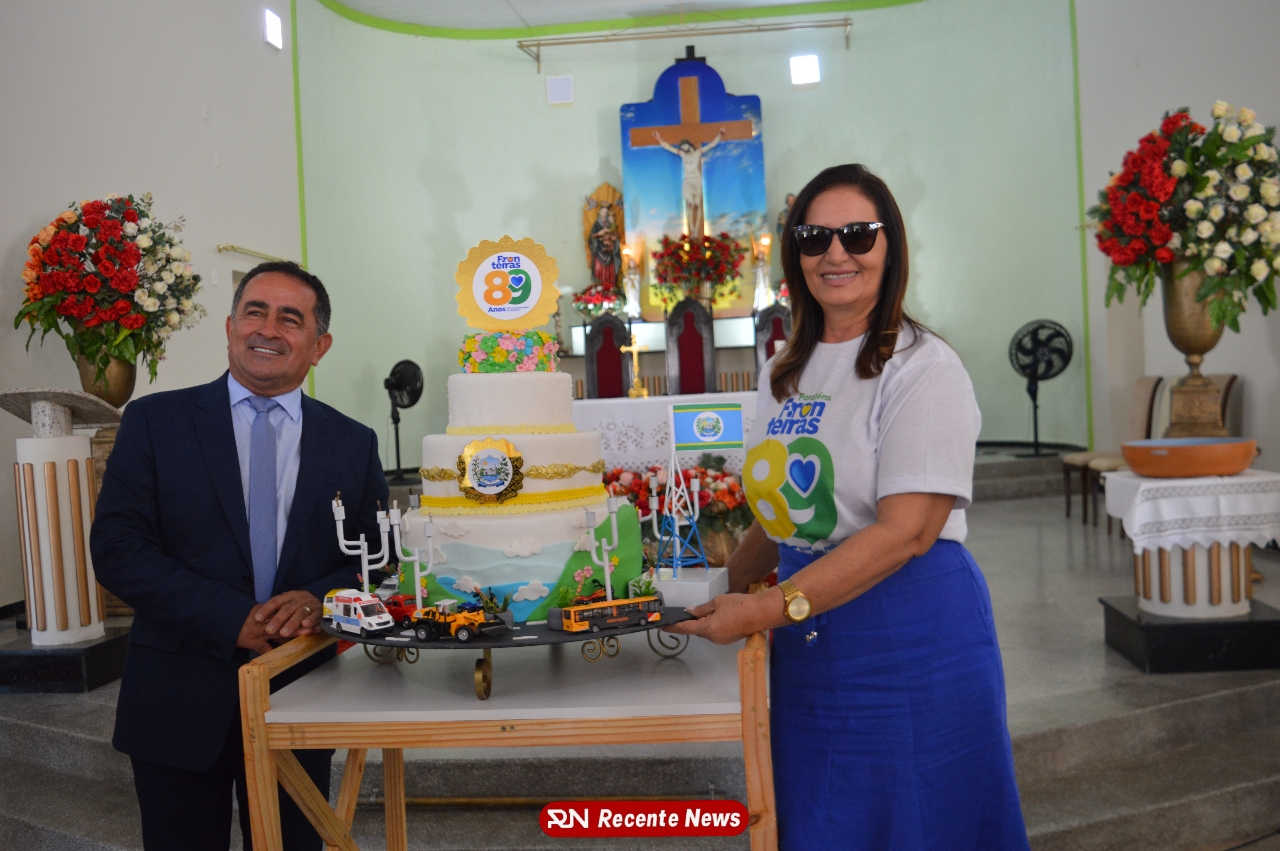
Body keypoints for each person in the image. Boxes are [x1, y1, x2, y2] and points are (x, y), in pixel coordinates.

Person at [668, 164, 1030, 850]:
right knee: (822, 818)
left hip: (909, 633)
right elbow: (787, 513)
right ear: (795, 253)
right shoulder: (785, 370)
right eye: (815, 237)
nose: (836, 253)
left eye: (858, 234)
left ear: (890, 247)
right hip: (809, 640)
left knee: (921, 821)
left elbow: (905, 533)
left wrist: (765, 608)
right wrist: (716, 592)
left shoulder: (922, 367)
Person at [90, 261, 390, 851]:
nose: (267, 329)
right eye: (255, 311)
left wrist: (320, 600)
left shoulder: (352, 442)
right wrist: (233, 619)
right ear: (230, 327)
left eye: (290, 318)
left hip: (298, 691)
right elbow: (119, 549)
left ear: (319, 346)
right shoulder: (155, 422)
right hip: (176, 694)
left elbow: (379, 557)